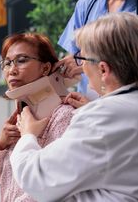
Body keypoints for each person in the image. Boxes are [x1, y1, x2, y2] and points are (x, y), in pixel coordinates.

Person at [11, 12, 138, 202]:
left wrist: (28, 135)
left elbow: (38, 179)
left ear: (103, 69)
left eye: (82, 60)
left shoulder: (102, 117)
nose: (81, 68)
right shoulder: (115, 110)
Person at [0, 33, 74, 202]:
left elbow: (52, 185)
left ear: (46, 68)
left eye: (22, 60)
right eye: (7, 63)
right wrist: (1, 144)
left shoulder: (64, 117)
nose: (12, 70)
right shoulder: (18, 116)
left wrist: (30, 136)